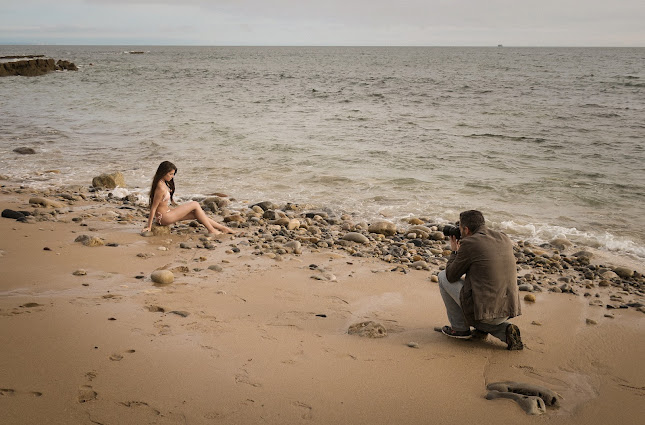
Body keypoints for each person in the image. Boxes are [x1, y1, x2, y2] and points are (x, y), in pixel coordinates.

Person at [437, 210, 523, 350]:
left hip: (489, 314)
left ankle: (459, 329)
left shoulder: (470, 243)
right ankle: (504, 330)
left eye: (460, 228)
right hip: (509, 309)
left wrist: (454, 252)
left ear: (466, 229)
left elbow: (451, 276)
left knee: (442, 276)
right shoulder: (503, 237)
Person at [143, 161, 235, 235]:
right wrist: (149, 226)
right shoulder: (160, 187)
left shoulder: (162, 182)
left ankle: (223, 228)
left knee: (196, 214)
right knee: (195, 204)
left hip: (167, 213)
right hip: (164, 218)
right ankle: (212, 230)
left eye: (173, 174)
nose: (172, 176)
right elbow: (153, 207)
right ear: (163, 173)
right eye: (170, 174)